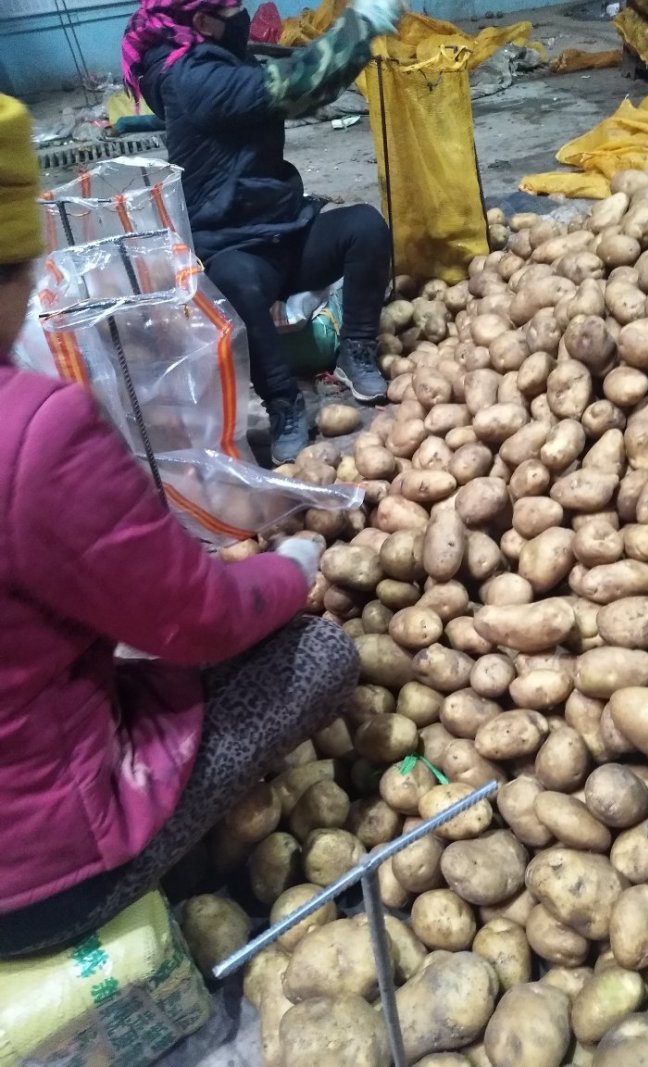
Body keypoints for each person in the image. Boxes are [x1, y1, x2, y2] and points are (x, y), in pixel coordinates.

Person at [0, 93, 358, 958]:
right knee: (319, 654)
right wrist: (296, 562)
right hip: (39, 882)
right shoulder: (35, 431)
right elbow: (201, 622)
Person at [121, 0, 401, 464]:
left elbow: (288, 74)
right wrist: (361, 27)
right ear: (203, 23)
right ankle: (283, 405)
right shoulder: (192, 76)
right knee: (240, 287)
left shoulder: (214, 56)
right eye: (232, 9)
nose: (243, 14)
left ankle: (357, 351)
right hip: (236, 243)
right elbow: (291, 86)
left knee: (365, 228)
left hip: (285, 226)